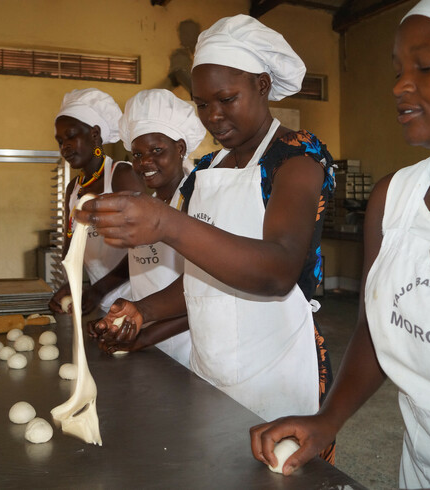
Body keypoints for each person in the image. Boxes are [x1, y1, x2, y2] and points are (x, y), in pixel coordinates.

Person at [250, 0, 430, 487]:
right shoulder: (394, 197)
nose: (399, 86)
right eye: (397, 70)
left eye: (427, 66)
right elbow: (377, 329)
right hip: (418, 471)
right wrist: (328, 418)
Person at [77, 14, 335, 456]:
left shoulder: (297, 159)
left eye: (226, 98)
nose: (214, 116)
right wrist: (143, 310)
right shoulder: (205, 172)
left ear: (261, 85)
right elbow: (203, 279)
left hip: (276, 370)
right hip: (210, 368)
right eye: (202, 104)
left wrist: (167, 223)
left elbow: (277, 269)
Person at [90, 88, 206, 368]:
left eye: (157, 150)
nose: (144, 163)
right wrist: (121, 322)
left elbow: (202, 295)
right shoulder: (149, 204)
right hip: (148, 338)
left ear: (180, 148)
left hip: (186, 348)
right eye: (137, 154)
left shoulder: (195, 202)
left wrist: (145, 334)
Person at [49, 88, 145, 315]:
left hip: (134, 299)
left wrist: (98, 289)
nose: (65, 147)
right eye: (60, 141)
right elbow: (69, 245)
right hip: (99, 300)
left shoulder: (121, 175)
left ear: (94, 134)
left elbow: (143, 247)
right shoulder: (74, 189)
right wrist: (73, 285)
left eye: (71, 136)